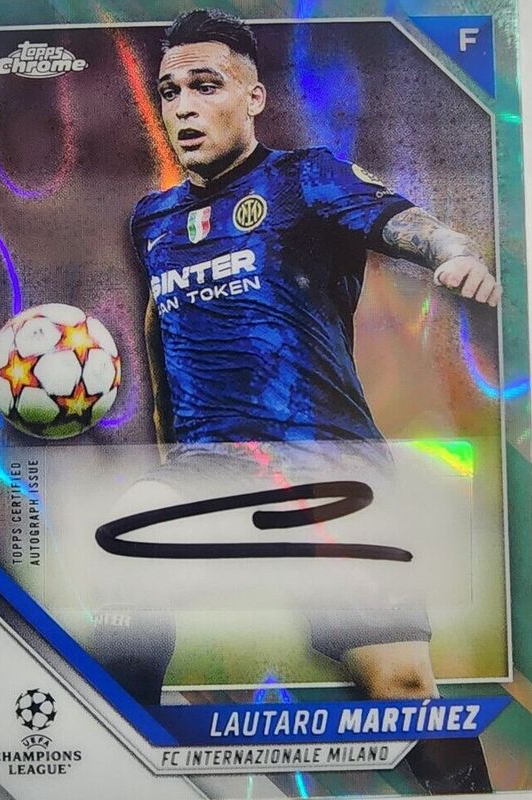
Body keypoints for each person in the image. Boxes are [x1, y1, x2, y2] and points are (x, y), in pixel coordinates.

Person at [125, 8, 499, 793]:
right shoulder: (152, 220)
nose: (183, 106)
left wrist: (453, 252)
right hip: (212, 467)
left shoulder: (304, 177)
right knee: (127, 583)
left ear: (253, 96)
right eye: (168, 92)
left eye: (205, 85)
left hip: (330, 469)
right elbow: (162, 333)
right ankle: (113, 760)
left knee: (403, 691)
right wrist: (165, 453)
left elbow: (401, 222)